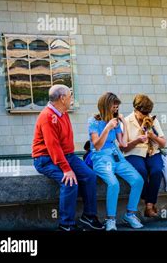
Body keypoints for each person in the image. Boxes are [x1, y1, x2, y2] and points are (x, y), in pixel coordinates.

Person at [32, 84, 104, 231]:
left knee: (90, 176)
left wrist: (69, 162)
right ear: (62, 98)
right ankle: (66, 224)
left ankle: (89, 216)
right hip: (45, 159)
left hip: (67, 156)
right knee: (70, 183)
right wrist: (66, 169)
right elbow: (53, 147)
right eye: (70, 95)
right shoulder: (47, 117)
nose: (72, 99)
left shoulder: (63, 112)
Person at [88, 92, 144, 231]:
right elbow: (97, 145)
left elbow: (124, 143)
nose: (116, 110)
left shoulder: (116, 121)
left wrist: (123, 123)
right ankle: (110, 219)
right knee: (114, 184)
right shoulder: (93, 122)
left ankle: (130, 215)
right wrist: (107, 128)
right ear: (106, 106)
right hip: (101, 157)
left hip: (116, 155)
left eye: (117, 107)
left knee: (138, 180)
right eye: (114, 107)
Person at [122, 94, 167, 218]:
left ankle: (149, 205)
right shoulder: (126, 122)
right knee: (140, 171)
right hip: (134, 152)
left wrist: (153, 136)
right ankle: (149, 202)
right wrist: (137, 140)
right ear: (136, 110)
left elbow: (163, 144)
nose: (146, 116)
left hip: (152, 152)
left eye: (148, 113)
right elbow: (123, 147)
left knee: (157, 170)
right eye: (143, 113)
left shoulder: (152, 119)